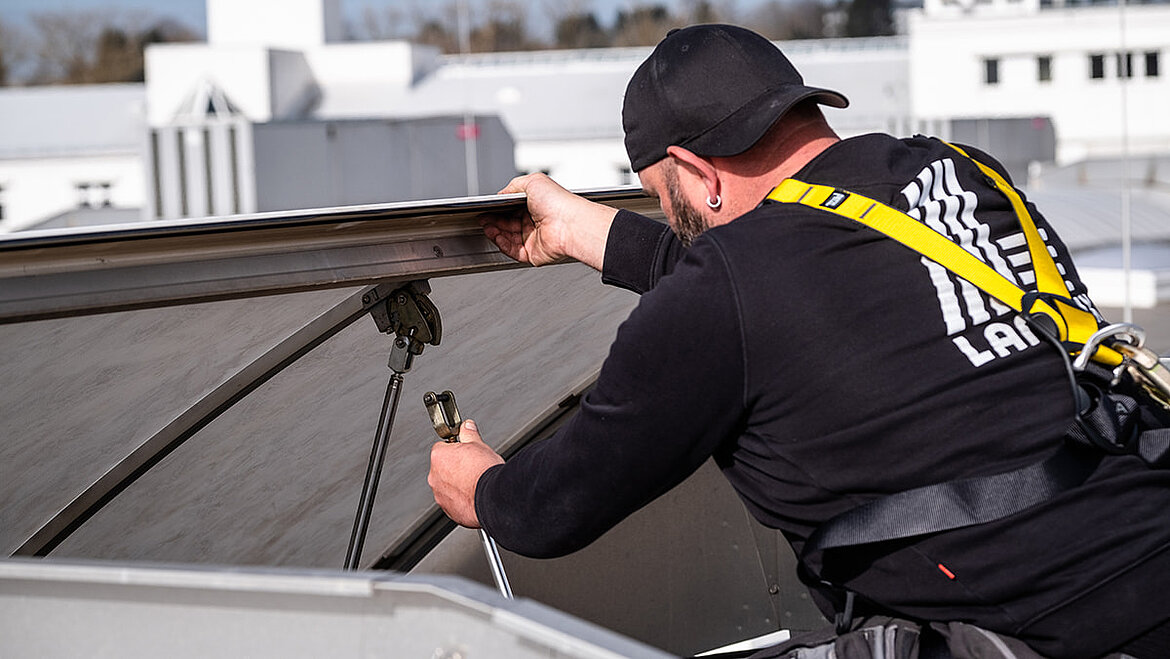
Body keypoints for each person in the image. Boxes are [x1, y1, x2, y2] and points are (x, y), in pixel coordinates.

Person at [428, 24, 1170, 658]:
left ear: (692, 170)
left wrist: (485, 489)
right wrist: (592, 234)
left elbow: (556, 506)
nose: (668, 209)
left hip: (1036, 633)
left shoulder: (732, 290)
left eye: (662, 195)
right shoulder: (960, 173)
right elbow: (789, 292)